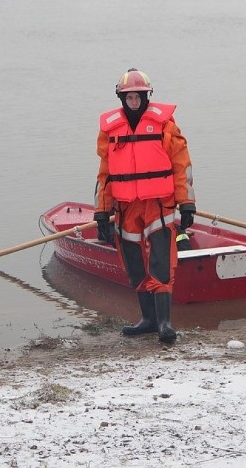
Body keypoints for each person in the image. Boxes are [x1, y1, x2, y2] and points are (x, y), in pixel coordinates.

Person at [94, 68, 197, 343]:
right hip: (126, 208)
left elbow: (180, 166)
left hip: (158, 205)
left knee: (161, 262)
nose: (134, 100)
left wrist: (186, 203)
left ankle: (164, 323)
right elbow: (105, 175)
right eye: (129, 96)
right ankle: (148, 320)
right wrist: (102, 212)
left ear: (146, 95)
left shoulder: (166, 125)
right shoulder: (110, 130)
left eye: (138, 96)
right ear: (121, 97)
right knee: (135, 264)